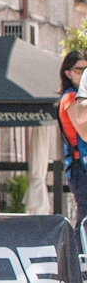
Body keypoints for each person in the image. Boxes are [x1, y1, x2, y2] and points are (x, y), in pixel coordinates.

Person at [59, 50, 87, 226]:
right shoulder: (70, 98)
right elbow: (84, 132)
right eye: (79, 70)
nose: (83, 74)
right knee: (84, 219)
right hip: (80, 168)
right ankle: (79, 252)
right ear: (68, 73)